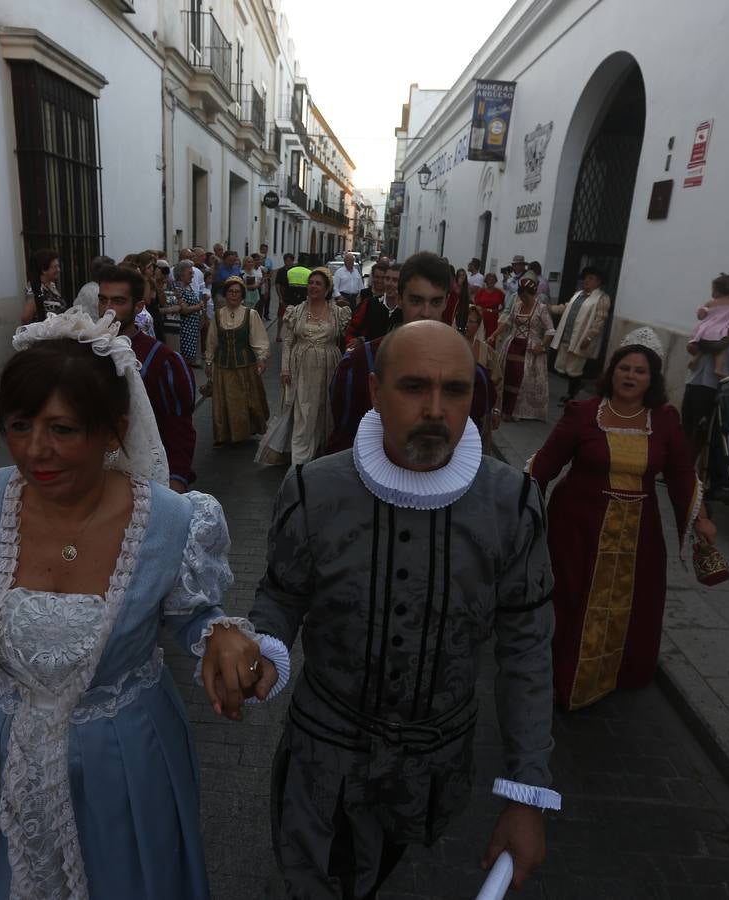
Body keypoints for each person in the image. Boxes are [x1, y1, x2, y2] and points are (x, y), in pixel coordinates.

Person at [0, 307, 273, 900]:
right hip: (3, 754)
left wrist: (218, 634)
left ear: (113, 429)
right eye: (19, 425)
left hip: (128, 761)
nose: (37, 451)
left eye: (63, 429)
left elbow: (191, 616)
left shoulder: (173, 521)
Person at [218, 319, 560, 897]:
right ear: (375, 392)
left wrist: (527, 795)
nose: (435, 408)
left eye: (455, 390)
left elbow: (526, 651)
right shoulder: (313, 489)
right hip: (323, 759)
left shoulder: (512, 503)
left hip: (435, 770)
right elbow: (282, 591)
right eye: (413, 387)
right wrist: (265, 645)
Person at [530, 328, 718, 710]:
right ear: (612, 371)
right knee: (572, 597)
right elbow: (546, 464)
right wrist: (517, 505)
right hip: (577, 527)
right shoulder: (583, 413)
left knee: (634, 601)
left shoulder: (664, 419)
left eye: (641, 371)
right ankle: (560, 671)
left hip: (639, 532)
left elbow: (682, 473)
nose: (631, 376)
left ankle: (619, 671)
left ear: (652, 379)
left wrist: (701, 519)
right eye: (625, 368)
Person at [327, 252, 497, 455]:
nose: (426, 312)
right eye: (416, 301)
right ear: (400, 299)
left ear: (446, 302)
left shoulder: (471, 373)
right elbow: (343, 438)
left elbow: (473, 443)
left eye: (435, 302)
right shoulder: (359, 364)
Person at [97, 266, 197, 493]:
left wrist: (176, 482)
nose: (107, 310)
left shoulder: (162, 360)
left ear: (139, 306)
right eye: (103, 300)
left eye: (118, 301)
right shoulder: (84, 350)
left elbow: (179, 428)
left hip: (144, 481)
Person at [258, 268, 350, 467]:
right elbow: (288, 341)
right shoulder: (296, 311)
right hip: (300, 368)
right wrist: (284, 369)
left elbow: (347, 340)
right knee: (303, 412)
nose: (313, 286)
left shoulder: (337, 312)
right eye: (311, 282)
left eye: (318, 283)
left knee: (322, 412)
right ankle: (299, 462)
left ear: (327, 289)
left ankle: (318, 454)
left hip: (328, 367)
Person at [680, 271, 729, 459]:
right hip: (696, 376)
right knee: (687, 425)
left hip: (714, 383)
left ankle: (689, 471)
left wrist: (697, 342)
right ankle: (678, 469)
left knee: (702, 429)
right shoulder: (722, 309)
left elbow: (720, 342)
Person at [206, 276, 270, 446]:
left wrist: (261, 358)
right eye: (230, 292)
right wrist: (209, 361)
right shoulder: (218, 315)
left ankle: (246, 430)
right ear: (225, 294)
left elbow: (259, 339)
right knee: (224, 401)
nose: (233, 295)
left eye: (237, 292)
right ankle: (224, 434)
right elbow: (212, 340)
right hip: (223, 365)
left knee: (246, 399)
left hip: (245, 365)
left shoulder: (251, 314)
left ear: (242, 295)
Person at [491, 275, 555, 422]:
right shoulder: (518, 304)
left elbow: (551, 331)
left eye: (526, 296)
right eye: (521, 296)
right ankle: (503, 408)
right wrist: (494, 335)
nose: (523, 299)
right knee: (507, 375)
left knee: (523, 378)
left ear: (532, 294)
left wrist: (541, 346)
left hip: (530, 348)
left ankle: (517, 410)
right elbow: (508, 322)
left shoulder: (541, 308)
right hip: (512, 345)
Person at [547, 266, 613, 404]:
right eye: (586, 278)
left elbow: (600, 320)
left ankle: (571, 395)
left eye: (591, 278)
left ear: (598, 282)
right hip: (567, 335)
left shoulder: (602, 298)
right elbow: (566, 308)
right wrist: (550, 308)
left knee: (574, 368)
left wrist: (589, 337)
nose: (586, 281)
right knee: (562, 366)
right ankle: (576, 386)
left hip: (581, 338)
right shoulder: (578, 294)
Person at [344, 259, 394, 349]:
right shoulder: (366, 298)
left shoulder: (396, 302)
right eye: (377, 277)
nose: (379, 280)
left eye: (383, 278)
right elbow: (355, 325)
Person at [20, 248, 65, 324]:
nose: (58, 270)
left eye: (58, 266)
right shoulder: (35, 288)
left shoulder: (51, 285)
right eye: (54, 267)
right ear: (43, 270)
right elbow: (26, 318)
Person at [473, 272, 506, 340]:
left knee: (490, 337)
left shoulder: (499, 292)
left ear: (495, 281)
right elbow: (475, 304)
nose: (491, 281)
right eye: (489, 279)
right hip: (482, 316)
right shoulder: (481, 291)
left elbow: (504, 306)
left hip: (493, 317)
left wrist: (497, 311)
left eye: (493, 279)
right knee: (480, 336)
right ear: (486, 281)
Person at [273, 252, 296, 326]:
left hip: (293, 296)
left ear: (293, 261)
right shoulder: (281, 271)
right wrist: (280, 297)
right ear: (284, 261)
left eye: (290, 261)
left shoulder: (295, 271)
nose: (288, 263)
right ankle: (278, 334)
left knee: (293, 316)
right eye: (286, 261)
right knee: (281, 315)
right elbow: (277, 284)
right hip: (284, 295)